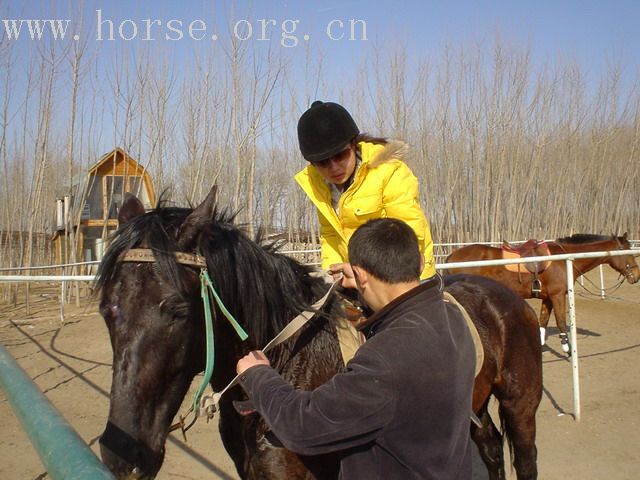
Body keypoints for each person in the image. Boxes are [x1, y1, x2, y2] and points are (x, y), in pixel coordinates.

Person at [236, 218, 476, 479]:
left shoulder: (385, 358)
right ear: (419, 262)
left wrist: (258, 375)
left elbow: (302, 426)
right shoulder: (451, 316)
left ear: (360, 274)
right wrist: (363, 284)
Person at [294, 100, 437, 281]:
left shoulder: (389, 170)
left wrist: (364, 276)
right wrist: (333, 274)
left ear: (353, 145)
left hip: (404, 274)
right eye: (323, 162)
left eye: (340, 155)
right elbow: (330, 234)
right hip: (356, 277)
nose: (334, 167)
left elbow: (407, 232)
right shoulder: (318, 184)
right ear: (312, 164)